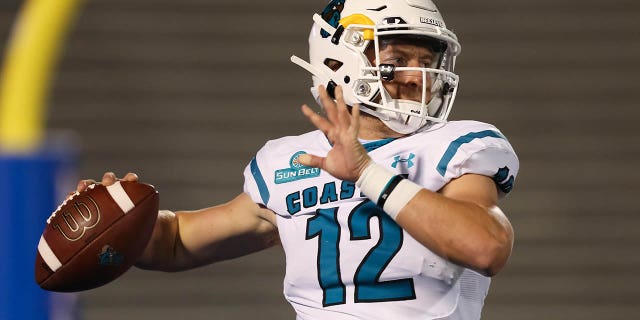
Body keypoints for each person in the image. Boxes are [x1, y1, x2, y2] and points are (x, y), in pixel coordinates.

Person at [77, 0, 519, 319]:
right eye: (396, 58)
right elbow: (175, 244)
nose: (415, 76)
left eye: (426, 60)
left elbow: (485, 246)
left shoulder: (456, 143)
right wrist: (118, 215)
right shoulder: (289, 160)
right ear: (338, 61)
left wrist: (367, 172)